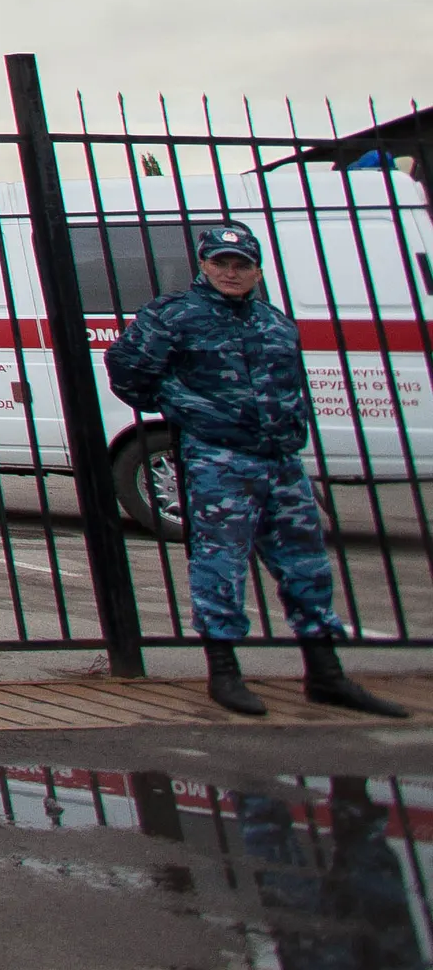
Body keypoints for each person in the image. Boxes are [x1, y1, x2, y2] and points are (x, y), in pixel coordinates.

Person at [108, 221, 405, 718]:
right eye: (220, 262)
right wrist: (188, 409)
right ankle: (224, 672)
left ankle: (325, 674)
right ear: (203, 265)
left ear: (257, 270)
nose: (231, 272)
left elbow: (290, 384)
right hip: (219, 459)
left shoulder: (274, 322)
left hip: (280, 460)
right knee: (220, 565)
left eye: (241, 264)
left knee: (306, 566)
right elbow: (128, 371)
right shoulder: (174, 316)